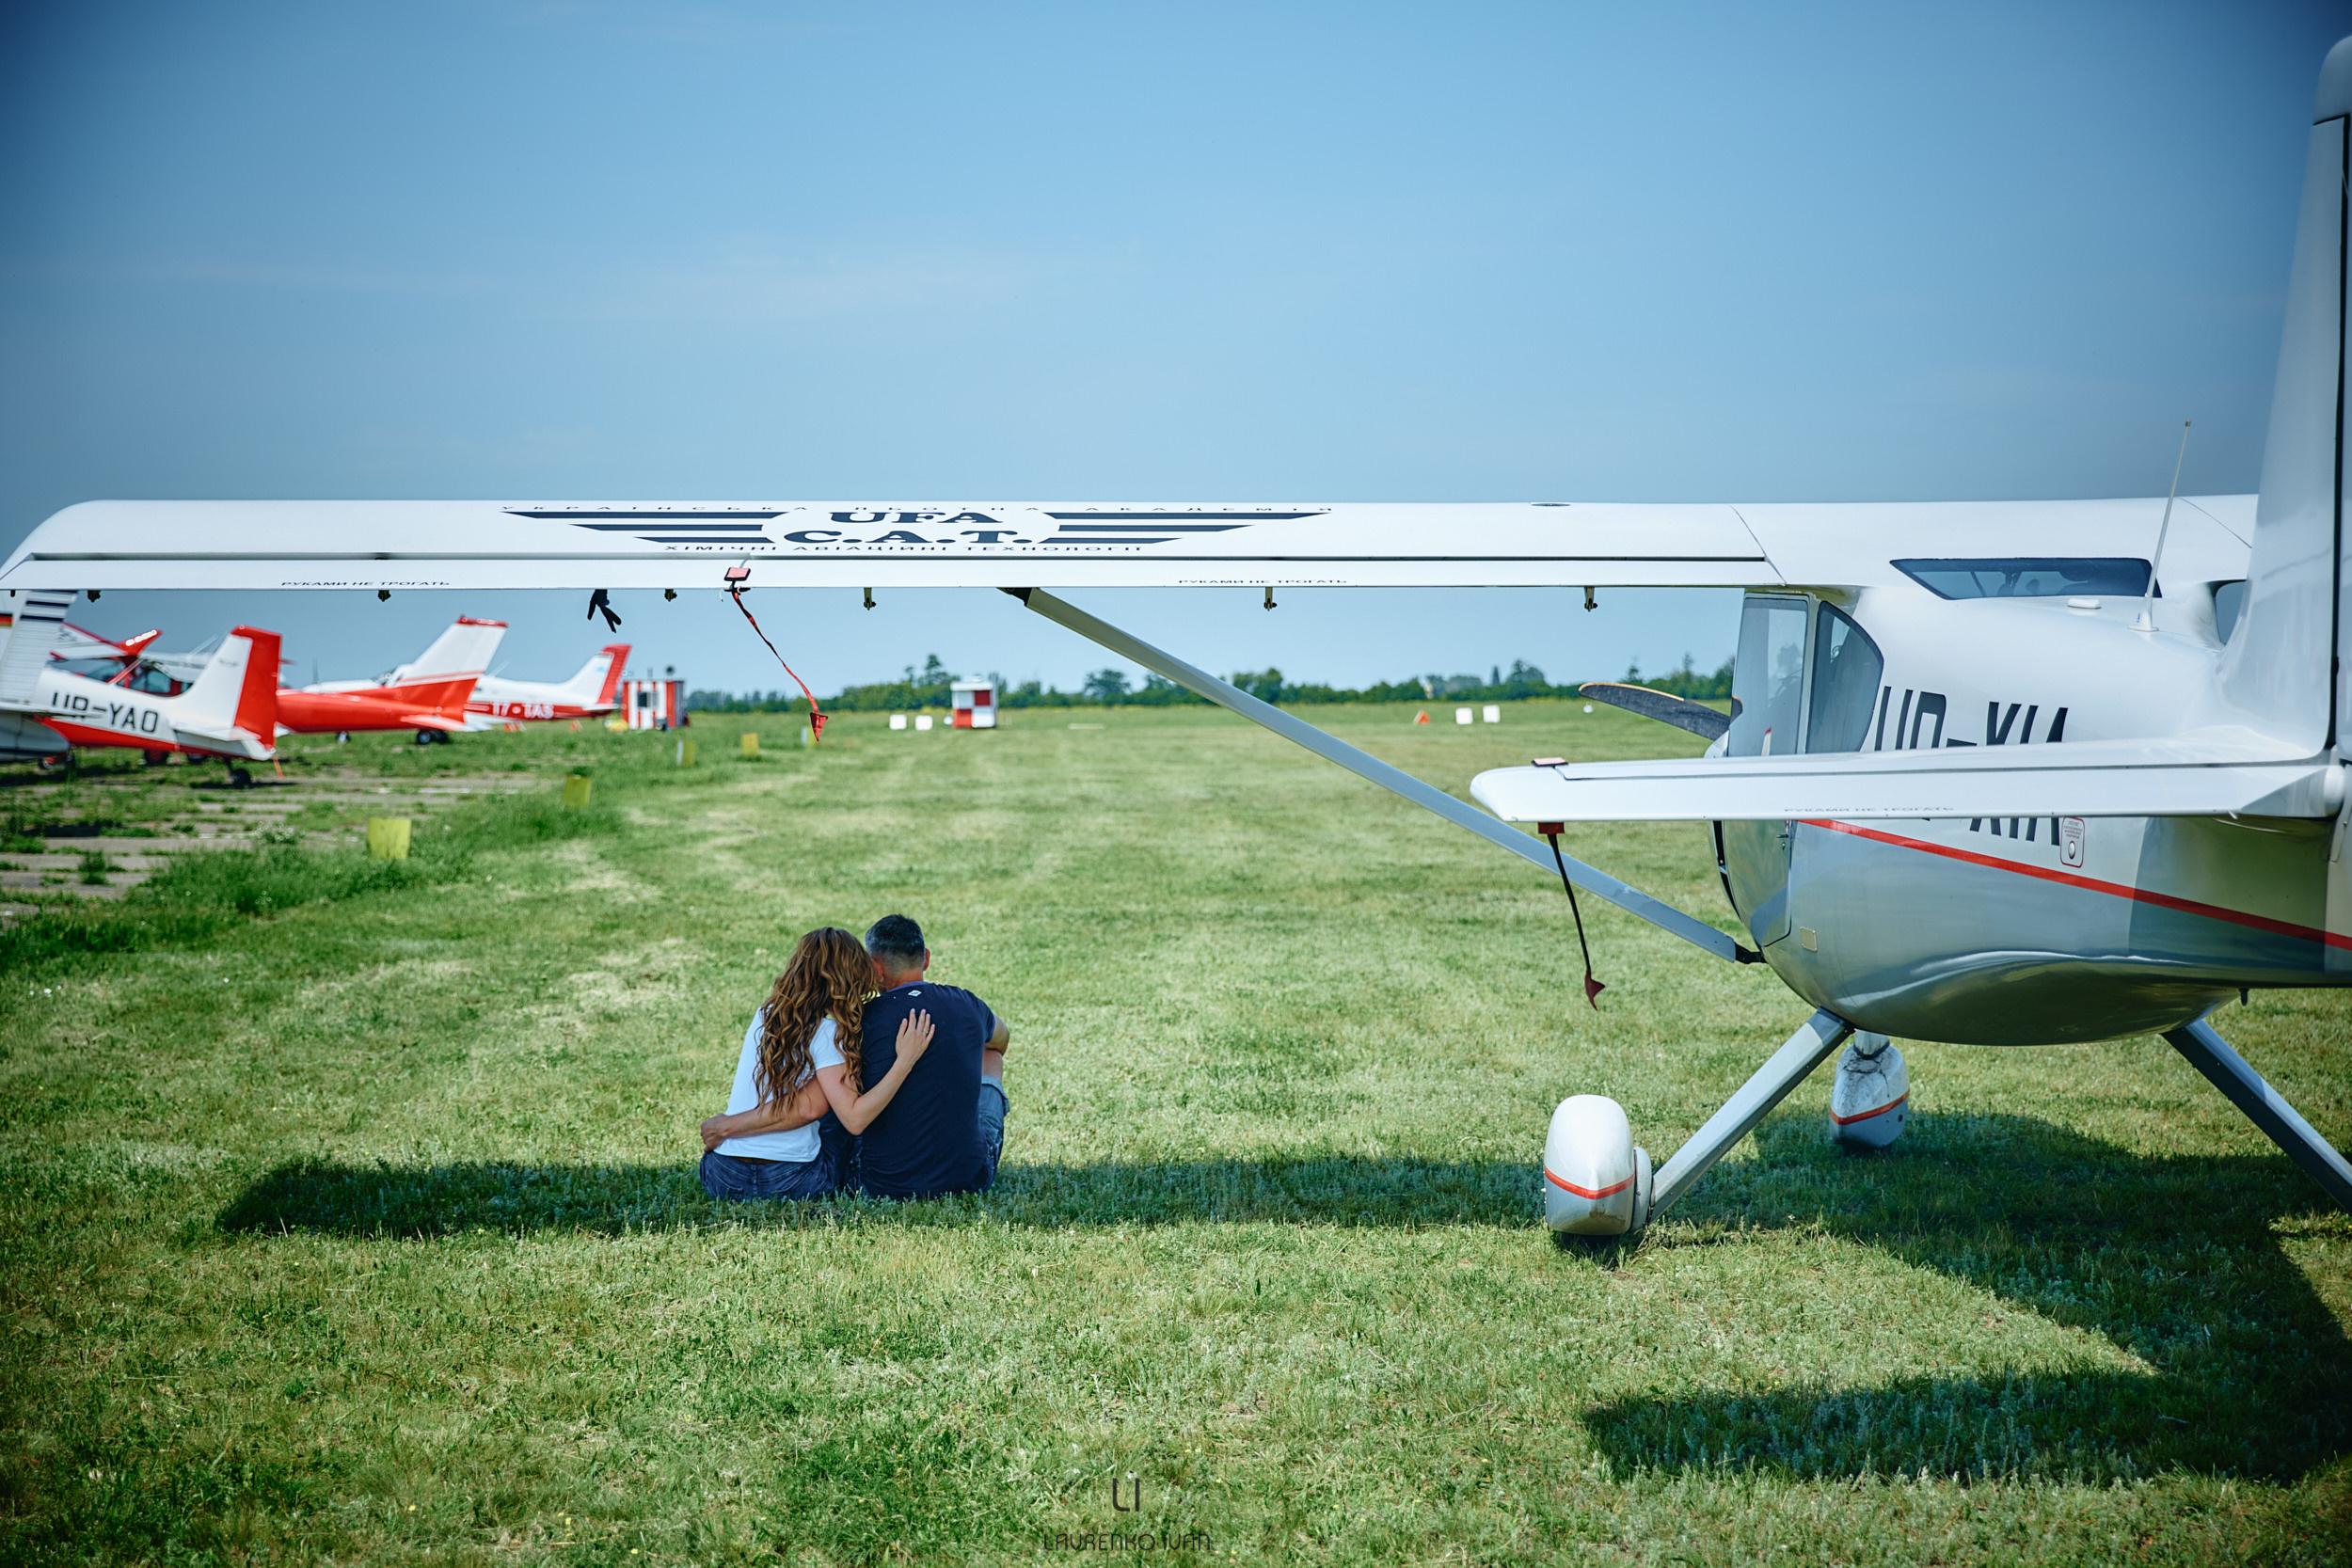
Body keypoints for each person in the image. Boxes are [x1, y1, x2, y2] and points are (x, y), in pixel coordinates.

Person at [697, 927, 935, 1201]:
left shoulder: (766, 1015)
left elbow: (806, 1105)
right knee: (848, 1119)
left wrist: (726, 1126)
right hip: (792, 1180)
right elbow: (853, 1119)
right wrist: (904, 1062)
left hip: (723, 1176)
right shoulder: (828, 1033)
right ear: (852, 977)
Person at [851, 914, 1010, 1199]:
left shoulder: (863, 1019)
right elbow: (1002, 1039)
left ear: (875, 969)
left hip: (885, 1182)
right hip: (970, 1177)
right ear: (925, 958)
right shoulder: (968, 1003)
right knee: (991, 1055)